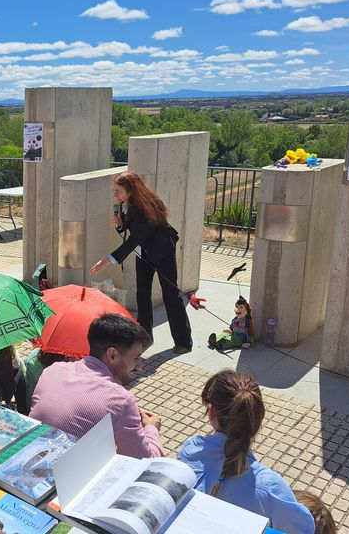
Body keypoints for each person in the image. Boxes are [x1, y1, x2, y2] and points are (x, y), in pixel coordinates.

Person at [177, 370, 315, 532]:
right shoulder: (270, 488)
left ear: (211, 411)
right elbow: (304, 529)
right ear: (257, 419)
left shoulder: (191, 451)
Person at [29, 313, 165, 458]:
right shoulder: (121, 401)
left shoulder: (53, 370)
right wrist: (151, 427)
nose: (140, 366)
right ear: (112, 355)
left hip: (29, 459)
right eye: (136, 358)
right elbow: (147, 461)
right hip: (69, 476)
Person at [90, 171, 193, 354]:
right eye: (113, 190)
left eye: (118, 190)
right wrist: (119, 225)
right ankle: (145, 336)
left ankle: (183, 341)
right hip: (143, 252)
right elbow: (130, 231)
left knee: (171, 294)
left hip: (162, 252)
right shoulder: (125, 204)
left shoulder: (146, 206)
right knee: (142, 293)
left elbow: (135, 238)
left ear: (130, 190)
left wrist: (108, 260)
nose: (115, 194)